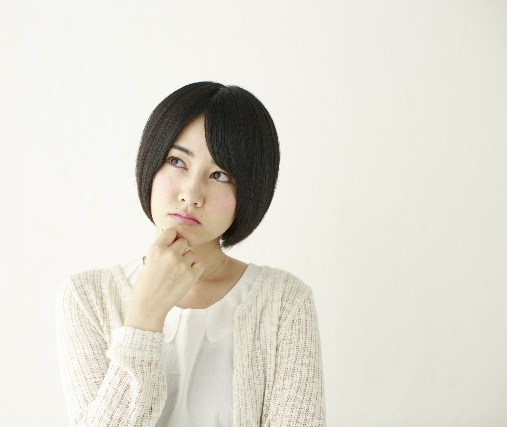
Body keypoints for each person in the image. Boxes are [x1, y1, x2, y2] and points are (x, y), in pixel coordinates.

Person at [55, 82, 326, 426]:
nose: (191, 194)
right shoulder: (88, 297)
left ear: (250, 190)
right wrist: (145, 316)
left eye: (219, 175)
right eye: (177, 161)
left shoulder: (284, 302)